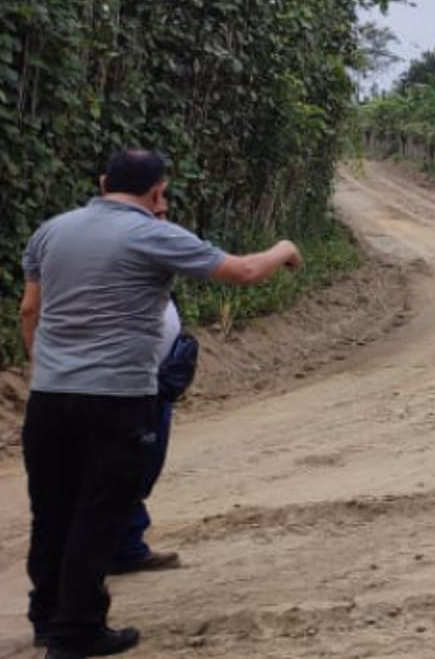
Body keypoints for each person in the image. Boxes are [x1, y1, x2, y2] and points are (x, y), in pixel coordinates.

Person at [20, 149, 301, 659]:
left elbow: (30, 309)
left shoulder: (50, 231)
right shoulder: (150, 233)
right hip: (116, 398)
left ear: (103, 183)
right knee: (99, 511)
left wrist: (46, 366)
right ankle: (77, 630)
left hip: (49, 397)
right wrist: (283, 248)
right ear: (156, 192)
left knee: (53, 509)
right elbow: (242, 271)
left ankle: (46, 616)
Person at [111, 207, 202, 576]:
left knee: (142, 467)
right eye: (157, 209)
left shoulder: (148, 252)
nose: (163, 218)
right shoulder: (117, 254)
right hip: (130, 385)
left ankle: (126, 545)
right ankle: (114, 549)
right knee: (127, 466)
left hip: (153, 384)